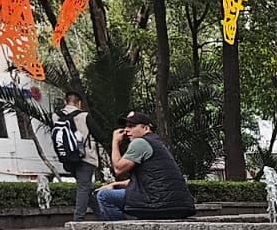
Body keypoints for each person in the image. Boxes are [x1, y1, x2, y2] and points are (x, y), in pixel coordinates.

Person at [95, 111, 196, 222]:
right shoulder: (158, 143)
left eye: (132, 126)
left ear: (146, 128)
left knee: (104, 196)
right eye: (126, 127)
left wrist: (115, 142)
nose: (126, 130)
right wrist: (116, 184)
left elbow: (118, 169)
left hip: (157, 203)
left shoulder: (140, 143)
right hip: (178, 205)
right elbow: (149, 180)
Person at [54, 89, 98, 220]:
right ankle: (78, 219)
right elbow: (99, 135)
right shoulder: (84, 116)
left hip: (67, 158)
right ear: (79, 103)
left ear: (65, 102)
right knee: (83, 188)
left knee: (84, 188)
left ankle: (103, 214)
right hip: (86, 158)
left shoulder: (56, 116)